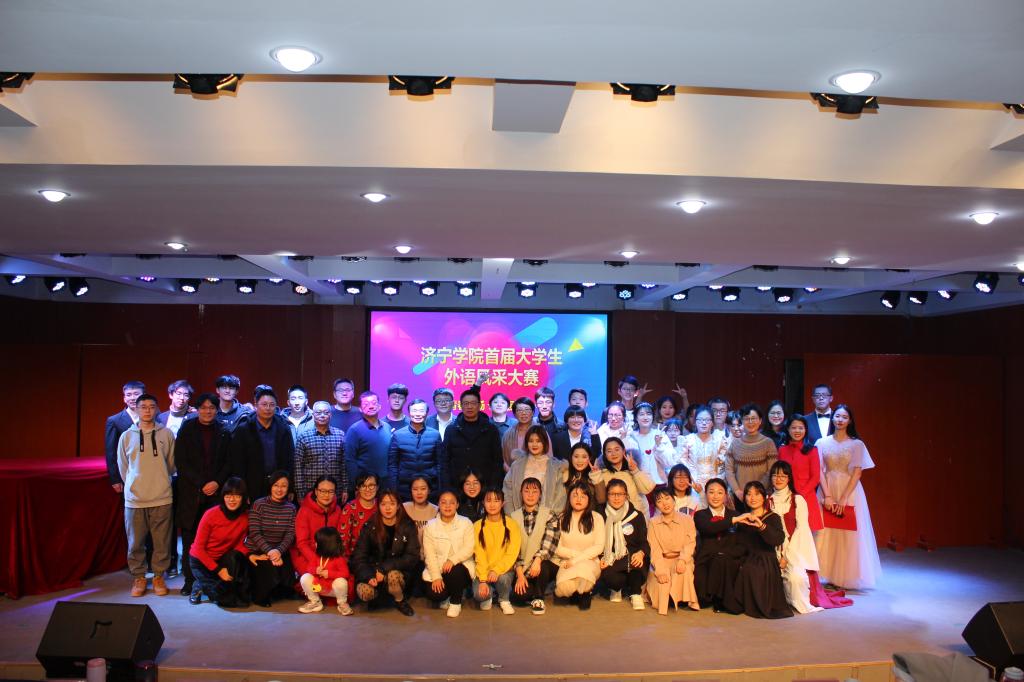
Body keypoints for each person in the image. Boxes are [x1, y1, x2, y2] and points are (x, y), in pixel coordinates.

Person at [769, 460, 852, 613]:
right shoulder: (767, 500)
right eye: (775, 475)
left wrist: (786, 557)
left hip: (793, 549)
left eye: (782, 476)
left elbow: (801, 530)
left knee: (795, 578)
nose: (778, 479)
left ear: (789, 478)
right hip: (772, 549)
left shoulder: (797, 500)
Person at [814, 405, 881, 590]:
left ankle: (846, 577)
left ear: (850, 420)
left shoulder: (857, 444)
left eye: (844, 417)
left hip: (850, 490)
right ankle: (826, 574)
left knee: (848, 533)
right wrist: (828, 496)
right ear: (833, 418)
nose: (840, 420)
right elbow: (818, 470)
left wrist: (843, 498)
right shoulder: (821, 442)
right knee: (826, 532)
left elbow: (857, 472)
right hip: (827, 487)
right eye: (837, 416)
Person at [117, 393, 176, 597]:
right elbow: (123, 467)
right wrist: (134, 484)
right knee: (135, 543)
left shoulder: (166, 434)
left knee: (162, 542)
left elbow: (171, 465)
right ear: (137, 409)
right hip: (135, 499)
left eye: (152, 406)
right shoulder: (126, 436)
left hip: (162, 496)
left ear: (157, 409)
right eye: (143, 407)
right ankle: (139, 577)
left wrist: (160, 479)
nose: (148, 410)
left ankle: (159, 576)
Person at [175, 392, 231, 596]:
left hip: (216, 493)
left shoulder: (224, 431)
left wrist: (216, 482)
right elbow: (181, 461)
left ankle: (211, 581)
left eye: (212, 408)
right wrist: (201, 484)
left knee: (214, 540)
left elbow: (229, 462)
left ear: (217, 410)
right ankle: (190, 581)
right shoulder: (186, 429)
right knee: (190, 540)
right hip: (191, 493)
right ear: (197, 409)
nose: (208, 411)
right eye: (204, 408)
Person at [723, 481, 792, 619]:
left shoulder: (773, 517)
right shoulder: (744, 517)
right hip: (747, 555)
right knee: (726, 561)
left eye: (756, 494)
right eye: (748, 494)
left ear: (764, 496)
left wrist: (761, 526)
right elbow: (740, 544)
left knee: (752, 569)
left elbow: (777, 539)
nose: (752, 498)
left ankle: (754, 604)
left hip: (765, 559)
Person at [352, 489, 420, 616]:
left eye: (392, 504)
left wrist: (384, 568)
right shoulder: (370, 525)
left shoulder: (408, 525)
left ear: (398, 506)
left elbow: (412, 556)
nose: (388, 508)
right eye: (383, 504)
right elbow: (359, 557)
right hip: (373, 572)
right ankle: (379, 598)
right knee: (364, 591)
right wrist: (369, 576)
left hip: (397, 572)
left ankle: (399, 600)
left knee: (393, 576)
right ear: (378, 506)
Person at [188, 477, 250, 607]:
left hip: (221, 559)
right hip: (201, 561)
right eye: (228, 495)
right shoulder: (210, 514)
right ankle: (198, 584)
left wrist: (248, 555)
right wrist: (218, 570)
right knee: (221, 597)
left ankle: (206, 583)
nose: (232, 500)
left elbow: (240, 544)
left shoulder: (245, 517)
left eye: (237, 496)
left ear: (243, 498)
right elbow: (198, 549)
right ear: (223, 496)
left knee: (234, 592)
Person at [229, 387, 294, 502]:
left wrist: (290, 487)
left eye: (272, 405)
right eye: (264, 404)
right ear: (256, 405)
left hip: (278, 485)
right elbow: (238, 463)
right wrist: (242, 490)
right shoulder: (243, 429)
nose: (268, 408)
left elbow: (290, 460)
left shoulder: (283, 428)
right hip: (252, 485)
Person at [245, 470, 297, 607]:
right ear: (270, 486)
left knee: (288, 578)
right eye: (276, 485)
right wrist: (270, 551)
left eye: (284, 486)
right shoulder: (259, 504)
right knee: (268, 576)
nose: (279, 489)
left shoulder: (291, 508)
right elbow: (254, 533)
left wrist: (278, 551)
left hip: (279, 550)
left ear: (288, 488)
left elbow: (290, 534)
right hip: (258, 549)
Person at [421, 489, 475, 617]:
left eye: (452, 502)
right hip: (439, 568)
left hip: (461, 568)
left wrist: (452, 560)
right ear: (438, 504)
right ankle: (450, 594)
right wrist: (436, 577)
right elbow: (430, 554)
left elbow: (469, 548)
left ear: (457, 505)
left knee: (455, 571)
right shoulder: (430, 526)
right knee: (435, 595)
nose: (447, 506)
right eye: (443, 502)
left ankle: (456, 602)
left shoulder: (466, 522)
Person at [646, 486, 699, 615]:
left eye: (667, 498)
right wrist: (660, 569)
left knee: (683, 571)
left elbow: (690, 543)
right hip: (662, 560)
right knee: (662, 581)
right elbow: (654, 549)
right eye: (659, 501)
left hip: (681, 558)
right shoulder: (653, 522)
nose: (664, 503)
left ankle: (684, 599)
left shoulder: (687, 519)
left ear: (673, 500)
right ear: (656, 506)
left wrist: (682, 560)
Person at [510, 477, 560, 615]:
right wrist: (520, 575)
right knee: (519, 597)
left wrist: (538, 560)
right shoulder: (513, 517)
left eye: (534, 491)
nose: (530, 495)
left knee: (543, 565)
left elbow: (549, 543)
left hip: (544, 564)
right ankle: (536, 589)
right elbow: (513, 549)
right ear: (521, 493)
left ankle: (538, 598)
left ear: (540, 494)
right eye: (527, 491)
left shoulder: (549, 514)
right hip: (523, 567)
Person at [597, 478, 649, 610]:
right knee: (612, 578)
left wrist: (641, 553)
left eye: (620, 494)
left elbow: (643, 541)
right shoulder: (600, 515)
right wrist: (600, 557)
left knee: (636, 564)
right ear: (607, 495)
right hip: (609, 557)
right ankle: (616, 589)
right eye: (612, 494)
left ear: (626, 495)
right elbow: (595, 540)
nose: (616, 498)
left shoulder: (636, 515)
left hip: (632, 556)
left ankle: (635, 593)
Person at [553, 482, 605, 610]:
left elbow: (599, 547)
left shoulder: (597, 518)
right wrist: (574, 558)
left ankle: (584, 593)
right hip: (566, 561)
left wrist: (576, 560)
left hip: (590, 561)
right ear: (569, 498)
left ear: (589, 499)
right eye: (575, 495)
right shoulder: (561, 518)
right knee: (564, 587)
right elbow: (557, 547)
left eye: (583, 496)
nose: (578, 499)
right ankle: (579, 593)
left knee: (584, 571)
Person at [693, 478, 741, 612]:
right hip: (706, 559)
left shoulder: (735, 514)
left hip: (729, 559)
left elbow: (741, 542)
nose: (715, 496)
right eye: (711, 492)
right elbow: (709, 528)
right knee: (702, 600)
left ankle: (721, 600)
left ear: (725, 495)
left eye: (720, 493)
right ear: (706, 494)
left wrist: (729, 554)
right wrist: (732, 521)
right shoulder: (700, 515)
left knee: (722, 561)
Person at [473, 488, 522, 614]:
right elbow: (479, 555)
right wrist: (483, 580)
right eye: (488, 500)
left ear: (503, 503)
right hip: (484, 570)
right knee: (479, 595)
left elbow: (512, 554)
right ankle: (489, 594)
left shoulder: (512, 525)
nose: (492, 504)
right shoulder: (477, 526)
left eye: (496, 500)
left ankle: (504, 599)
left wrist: (496, 570)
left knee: (503, 579)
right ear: (483, 503)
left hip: (503, 571)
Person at [443, 388, 503, 488]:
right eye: (466, 403)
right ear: (461, 406)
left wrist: (493, 487)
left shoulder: (491, 429)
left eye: (473, 403)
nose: (469, 407)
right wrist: (447, 487)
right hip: (458, 485)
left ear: (479, 405)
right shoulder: (451, 429)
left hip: (484, 485)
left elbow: (497, 461)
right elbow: (445, 461)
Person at [724, 403, 778, 511]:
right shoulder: (735, 444)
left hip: (762, 495)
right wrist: (737, 491)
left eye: (753, 418)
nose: (750, 422)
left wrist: (756, 492)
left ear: (760, 421)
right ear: (742, 421)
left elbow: (771, 471)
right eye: (746, 419)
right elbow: (729, 470)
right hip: (740, 497)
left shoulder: (768, 443)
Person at [388, 398, 444, 501]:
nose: (418, 414)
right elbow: (393, 465)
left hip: (430, 489)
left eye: (421, 411)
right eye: (414, 411)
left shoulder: (435, 434)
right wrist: (393, 490)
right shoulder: (398, 435)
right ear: (409, 413)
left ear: (426, 413)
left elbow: (440, 464)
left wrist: (440, 490)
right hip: (404, 489)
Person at [503, 425, 565, 513]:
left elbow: (560, 497)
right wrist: (513, 515)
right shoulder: (517, 465)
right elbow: (507, 491)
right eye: (531, 441)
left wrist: (550, 517)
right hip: (518, 516)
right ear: (527, 443)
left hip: (547, 517)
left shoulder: (555, 467)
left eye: (538, 441)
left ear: (544, 443)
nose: (534, 444)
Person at [293, 401, 347, 503]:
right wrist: (300, 493)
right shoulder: (304, 437)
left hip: (335, 491)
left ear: (330, 415)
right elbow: (298, 467)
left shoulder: (340, 435)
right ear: (313, 415)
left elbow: (344, 465)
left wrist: (345, 488)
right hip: (311, 491)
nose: (322, 416)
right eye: (318, 413)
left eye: (326, 413)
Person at [777, 414, 823, 533]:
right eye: (793, 427)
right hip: (786, 496)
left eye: (800, 428)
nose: (797, 431)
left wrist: (800, 495)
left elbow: (815, 477)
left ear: (805, 430)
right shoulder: (782, 450)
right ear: (788, 429)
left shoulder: (812, 450)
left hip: (806, 496)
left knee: (805, 535)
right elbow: (779, 474)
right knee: (786, 532)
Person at [343, 391, 393, 496]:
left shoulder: (387, 427)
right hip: (365, 484)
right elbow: (350, 460)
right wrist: (356, 484)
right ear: (360, 409)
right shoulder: (354, 430)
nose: (371, 406)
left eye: (374, 403)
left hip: (385, 482)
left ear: (379, 406)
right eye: (366, 404)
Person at [293, 474, 345, 573]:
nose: (326, 495)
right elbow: (302, 543)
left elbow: (340, 539)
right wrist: (317, 561)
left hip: (332, 558)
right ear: (316, 491)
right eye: (322, 491)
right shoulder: (304, 511)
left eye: (331, 491)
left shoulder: (338, 510)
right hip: (308, 557)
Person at [297, 526, 353, 615]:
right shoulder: (316, 557)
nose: (315, 544)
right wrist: (315, 570)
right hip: (318, 587)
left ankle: (342, 603)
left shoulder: (339, 559)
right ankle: (315, 601)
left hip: (332, 589)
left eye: (317, 542)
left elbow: (345, 573)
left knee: (341, 581)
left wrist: (329, 574)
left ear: (325, 545)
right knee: (305, 577)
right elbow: (309, 568)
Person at [680, 405, 729, 505]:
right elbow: (682, 462)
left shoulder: (719, 439)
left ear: (712, 423)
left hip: (715, 485)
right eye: (700, 420)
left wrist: (717, 483)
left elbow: (722, 464)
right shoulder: (688, 440)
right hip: (693, 485)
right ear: (695, 422)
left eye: (707, 420)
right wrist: (691, 481)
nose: (703, 423)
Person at [593, 436, 655, 513]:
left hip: (639, 515)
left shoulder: (637, 467)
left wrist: (635, 471)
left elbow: (647, 489)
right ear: (605, 454)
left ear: (623, 451)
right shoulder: (602, 474)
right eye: (609, 451)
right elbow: (601, 500)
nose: (613, 454)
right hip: (614, 516)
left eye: (617, 449)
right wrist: (596, 476)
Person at [105, 380, 145, 491]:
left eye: (136, 394)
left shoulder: (155, 417)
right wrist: (115, 479)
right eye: (128, 395)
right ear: (124, 398)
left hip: (150, 472)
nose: (132, 398)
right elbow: (111, 452)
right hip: (127, 473)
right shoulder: (114, 420)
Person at [627, 402, 677, 487]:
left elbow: (669, 462)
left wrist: (659, 445)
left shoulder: (660, 435)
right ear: (636, 418)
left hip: (659, 483)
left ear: (653, 416)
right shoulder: (631, 437)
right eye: (642, 414)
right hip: (639, 484)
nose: (645, 417)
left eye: (648, 414)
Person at [339, 473, 380, 557]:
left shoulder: (382, 505)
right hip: (355, 556)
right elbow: (343, 539)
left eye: (371, 485)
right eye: (363, 486)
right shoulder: (350, 508)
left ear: (377, 487)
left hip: (379, 554)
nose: (367, 489)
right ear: (358, 488)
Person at [403, 476, 438, 552]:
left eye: (423, 489)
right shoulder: (404, 508)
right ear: (411, 491)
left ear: (429, 490)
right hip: (408, 554)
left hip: (430, 554)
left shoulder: (437, 510)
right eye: (415, 489)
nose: (419, 493)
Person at [501, 397, 536, 470]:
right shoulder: (508, 434)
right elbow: (503, 459)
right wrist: (512, 473)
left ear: (533, 412)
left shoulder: (540, 432)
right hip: (512, 474)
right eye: (519, 410)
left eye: (527, 409)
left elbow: (548, 456)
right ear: (514, 414)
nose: (523, 413)